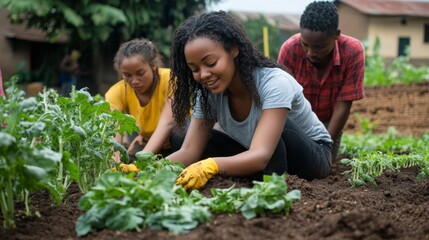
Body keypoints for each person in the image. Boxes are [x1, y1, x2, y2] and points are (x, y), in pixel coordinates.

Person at [167, 10, 333, 191]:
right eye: (194, 69)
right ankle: (253, 175)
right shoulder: (208, 94)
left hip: (312, 156)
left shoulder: (274, 82)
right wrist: (144, 169)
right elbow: (189, 151)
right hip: (258, 152)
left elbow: (262, 155)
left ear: (234, 49)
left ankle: (271, 192)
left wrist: (211, 165)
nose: (204, 74)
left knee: (277, 134)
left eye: (211, 63)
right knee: (181, 136)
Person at [277, 1, 365, 162]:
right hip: (296, 121)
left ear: (336, 35)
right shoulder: (290, 49)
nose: (311, 53)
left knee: (323, 168)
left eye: (319, 46)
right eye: (305, 45)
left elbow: (344, 104)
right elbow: (282, 100)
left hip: (330, 123)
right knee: (294, 166)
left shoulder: (353, 51)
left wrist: (325, 144)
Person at [105, 38, 176, 161]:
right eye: (127, 75)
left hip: (176, 140)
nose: (134, 81)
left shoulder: (170, 80)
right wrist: (114, 163)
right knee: (128, 160)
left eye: (140, 73)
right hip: (147, 140)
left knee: (179, 138)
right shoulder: (117, 92)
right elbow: (114, 132)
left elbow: (168, 123)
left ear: (153, 66)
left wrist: (143, 160)